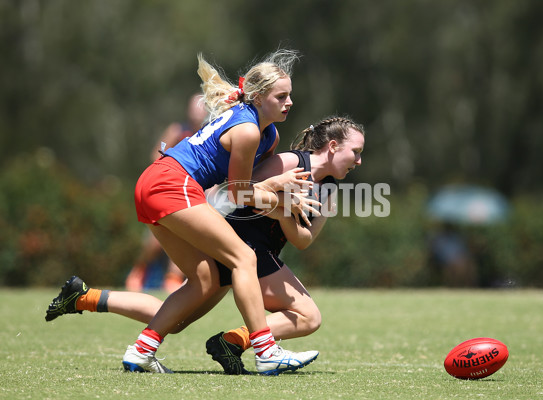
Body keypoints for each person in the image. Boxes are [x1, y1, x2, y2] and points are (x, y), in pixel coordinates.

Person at [45, 116, 366, 375]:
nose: (360, 161)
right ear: (334, 146)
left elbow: (303, 240)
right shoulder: (289, 162)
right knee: (309, 316)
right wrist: (282, 199)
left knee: (175, 317)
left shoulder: (329, 191)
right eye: (356, 152)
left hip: (259, 250)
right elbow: (238, 192)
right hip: (242, 242)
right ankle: (235, 342)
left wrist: (285, 212)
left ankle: (84, 297)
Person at [126, 93, 208, 293]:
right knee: (155, 241)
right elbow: (157, 152)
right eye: (193, 107)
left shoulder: (208, 134)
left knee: (188, 236)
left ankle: (173, 277)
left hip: (196, 194)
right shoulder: (177, 130)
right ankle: (140, 269)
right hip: (170, 189)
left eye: (200, 107)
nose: (196, 112)